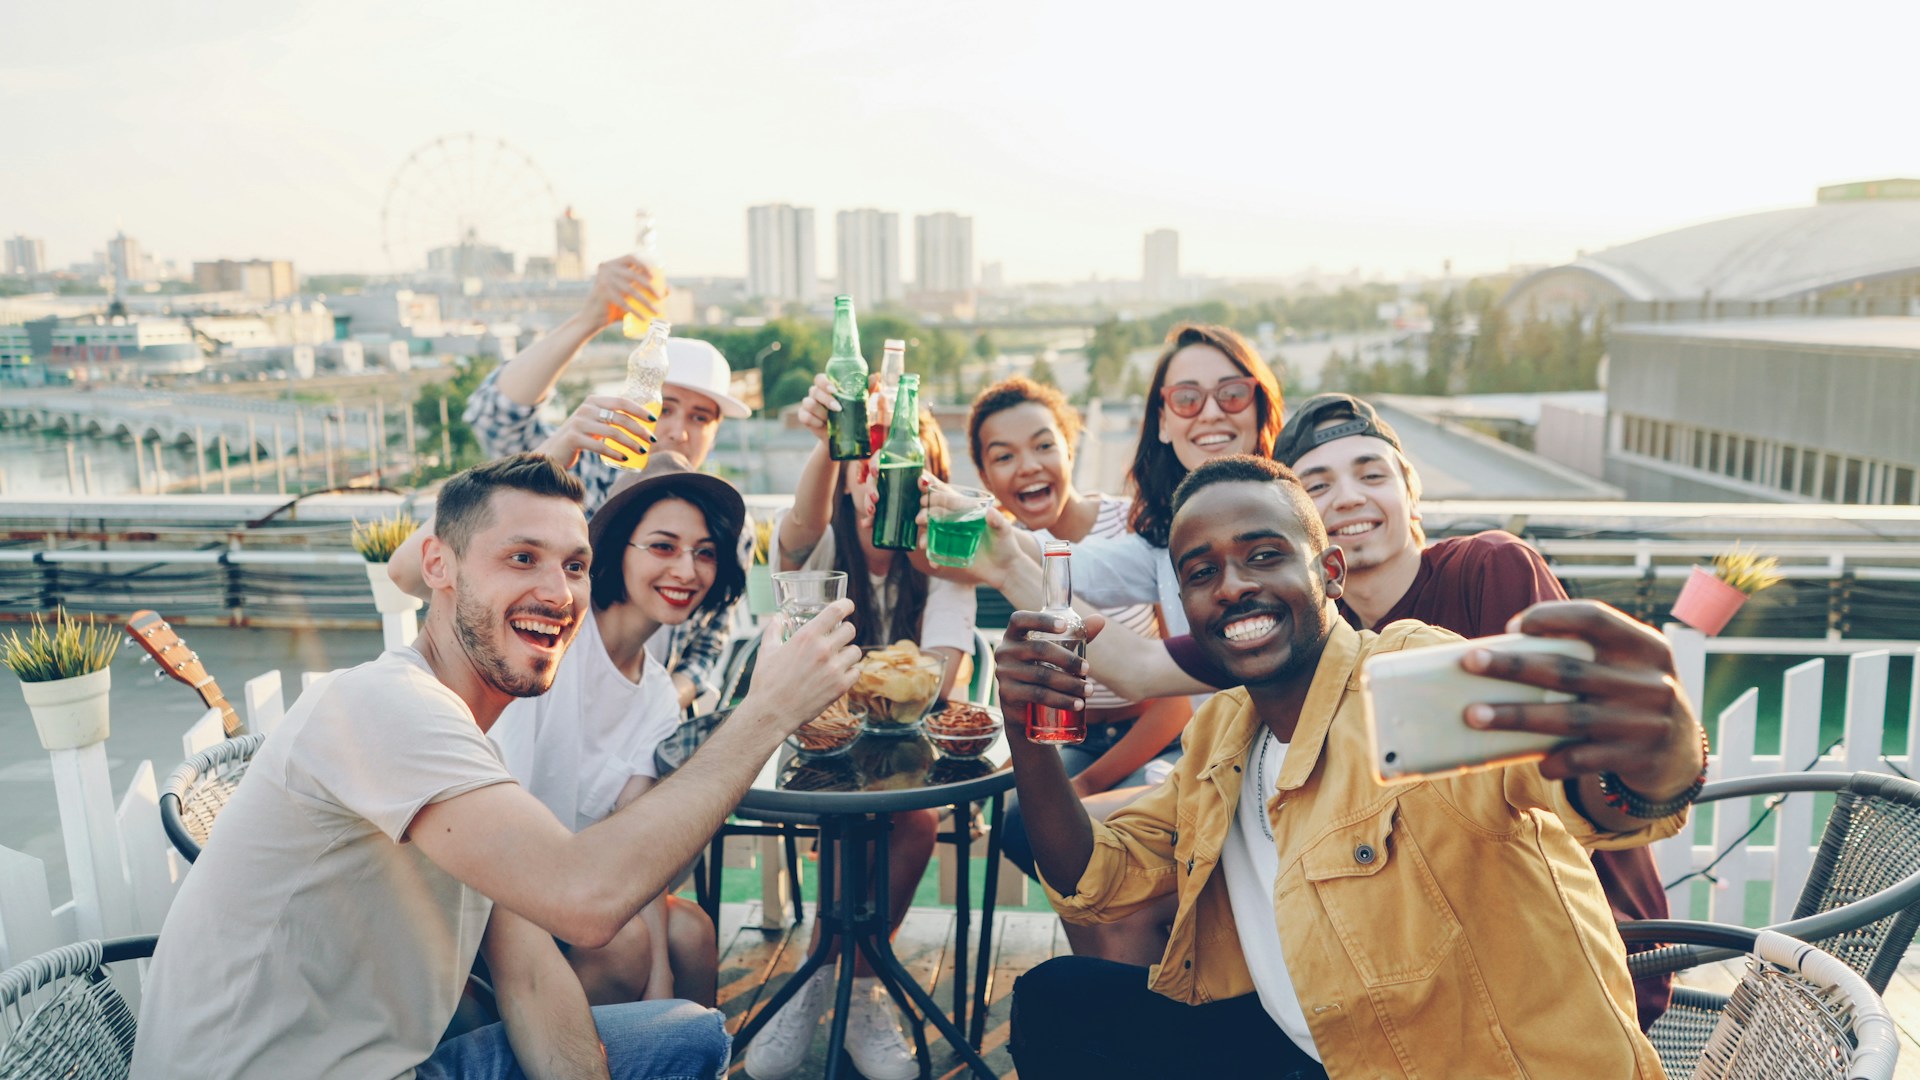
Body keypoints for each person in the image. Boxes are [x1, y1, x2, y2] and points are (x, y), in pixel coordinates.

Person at [132, 453, 862, 1079]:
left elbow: (534, 980)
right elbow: (586, 896)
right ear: (437, 568)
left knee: (685, 1033)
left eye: (574, 566)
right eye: (522, 558)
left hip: (395, 1061)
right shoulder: (385, 706)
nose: (558, 592)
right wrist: (766, 713)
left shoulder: (465, 746)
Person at [995, 454, 1707, 1079]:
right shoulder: (1224, 732)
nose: (1234, 584)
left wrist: (1654, 755)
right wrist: (1028, 727)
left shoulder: (1406, 680)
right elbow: (1090, 878)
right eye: (1202, 572)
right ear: (1187, 606)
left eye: (1265, 555)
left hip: (1456, 1062)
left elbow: (1585, 790)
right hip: (1314, 1047)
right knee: (1059, 1004)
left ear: (1328, 572)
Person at [395, 455, 746, 1011]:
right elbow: (409, 569)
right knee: (622, 942)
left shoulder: (658, 693)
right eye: (662, 546)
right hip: (489, 884)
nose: (687, 570)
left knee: (692, 934)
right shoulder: (544, 642)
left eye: (705, 553)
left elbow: (640, 847)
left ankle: (675, 1059)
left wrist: (661, 990)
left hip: (575, 887)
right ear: (610, 551)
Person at [739, 384, 978, 1080]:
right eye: (866, 461)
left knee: (915, 821)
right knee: (849, 814)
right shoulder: (820, 541)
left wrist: (882, 683)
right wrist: (829, 441)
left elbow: (941, 676)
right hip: (812, 739)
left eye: (899, 467)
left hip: (903, 747)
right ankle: (834, 974)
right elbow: (795, 535)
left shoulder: (943, 564)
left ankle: (846, 975)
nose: (879, 479)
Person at [964, 376, 1192, 964]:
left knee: (1098, 827)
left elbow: (1174, 701)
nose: (1027, 467)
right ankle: (1104, 970)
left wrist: (1089, 784)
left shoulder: (1136, 528)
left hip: (1157, 734)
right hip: (1074, 739)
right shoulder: (1001, 548)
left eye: (1044, 445)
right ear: (986, 479)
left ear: (1072, 448)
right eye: (1003, 456)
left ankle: (1132, 969)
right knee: (1024, 825)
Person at [462, 254, 755, 712]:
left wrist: (652, 708)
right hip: (543, 694)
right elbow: (495, 420)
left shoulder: (728, 520)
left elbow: (708, 648)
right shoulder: (584, 469)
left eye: (701, 418)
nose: (678, 430)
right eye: (668, 406)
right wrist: (590, 319)